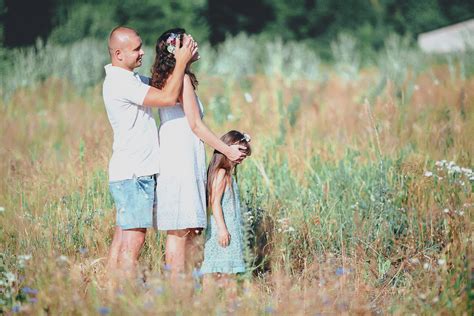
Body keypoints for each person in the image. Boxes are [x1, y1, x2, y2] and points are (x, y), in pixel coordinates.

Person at [149, 28, 247, 280]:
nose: (195, 42)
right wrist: (226, 150)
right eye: (188, 39)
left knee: (187, 227)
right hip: (179, 159)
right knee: (180, 229)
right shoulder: (179, 79)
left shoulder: (176, 77)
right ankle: (176, 289)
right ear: (177, 49)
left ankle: (185, 286)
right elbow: (195, 124)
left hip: (183, 156)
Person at [102, 26, 196, 280]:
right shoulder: (121, 83)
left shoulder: (131, 79)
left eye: (142, 46)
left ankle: (110, 292)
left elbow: (165, 87)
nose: (142, 52)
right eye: (136, 49)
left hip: (131, 172)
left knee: (122, 238)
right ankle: (126, 295)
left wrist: (172, 58)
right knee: (133, 243)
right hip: (134, 174)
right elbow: (166, 98)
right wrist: (182, 62)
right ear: (119, 54)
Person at [200, 130, 251, 289]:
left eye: (245, 152)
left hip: (230, 227)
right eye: (240, 150)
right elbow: (214, 203)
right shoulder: (221, 173)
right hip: (222, 228)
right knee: (217, 268)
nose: (242, 156)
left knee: (228, 269)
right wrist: (222, 229)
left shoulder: (229, 173)